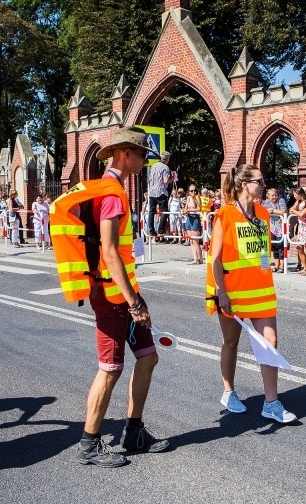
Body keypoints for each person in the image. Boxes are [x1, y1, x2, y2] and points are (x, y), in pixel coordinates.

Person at [58, 127, 170, 467]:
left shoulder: (111, 189)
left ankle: (133, 432)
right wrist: (133, 302)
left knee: (148, 357)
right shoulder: (110, 194)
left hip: (124, 292)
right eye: (141, 155)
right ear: (125, 154)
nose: (144, 161)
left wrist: (135, 296)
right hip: (111, 296)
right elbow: (109, 252)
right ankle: (89, 444)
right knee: (110, 368)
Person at [205, 164, 297, 423]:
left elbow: (263, 254)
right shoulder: (224, 214)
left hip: (261, 290)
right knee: (231, 343)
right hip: (232, 291)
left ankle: (271, 402)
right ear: (244, 184)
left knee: (270, 342)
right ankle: (229, 392)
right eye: (259, 181)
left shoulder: (264, 215)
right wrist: (221, 292)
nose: (263, 185)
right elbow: (215, 258)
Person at [146, 151, 172, 243]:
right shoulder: (165, 167)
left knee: (151, 212)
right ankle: (161, 231)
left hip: (152, 192)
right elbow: (165, 181)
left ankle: (151, 230)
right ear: (167, 159)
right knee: (164, 212)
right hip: (161, 192)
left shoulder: (153, 166)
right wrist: (172, 178)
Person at [290, 188, 306, 276]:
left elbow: (302, 214)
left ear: (300, 193)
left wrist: (294, 211)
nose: (294, 196)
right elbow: (290, 209)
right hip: (301, 226)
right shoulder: (298, 201)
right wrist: (295, 210)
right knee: (299, 247)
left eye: (295, 194)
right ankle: (304, 267)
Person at [261, 187, 287, 272]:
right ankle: (276, 265)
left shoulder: (281, 200)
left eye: (275, 195)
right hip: (271, 227)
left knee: (281, 247)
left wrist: (272, 210)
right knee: (274, 247)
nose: (274, 197)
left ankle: (282, 266)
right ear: (268, 196)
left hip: (280, 227)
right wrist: (273, 211)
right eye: (272, 195)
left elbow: (284, 211)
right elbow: (264, 211)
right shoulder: (267, 202)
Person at [184, 185, 203, 264]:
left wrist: (189, 210)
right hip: (188, 218)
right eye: (191, 191)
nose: (193, 192)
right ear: (188, 191)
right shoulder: (188, 198)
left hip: (195, 218)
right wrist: (185, 211)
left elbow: (199, 208)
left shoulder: (197, 197)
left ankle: (200, 259)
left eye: (195, 190)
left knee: (195, 241)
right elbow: (185, 208)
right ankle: (195, 258)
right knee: (191, 240)